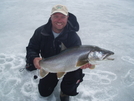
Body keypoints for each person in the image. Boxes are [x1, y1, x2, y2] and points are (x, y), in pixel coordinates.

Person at [25, 4, 92, 101]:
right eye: (56, 16)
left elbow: (79, 56)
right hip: (50, 64)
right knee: (44, 92)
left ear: (67, 18)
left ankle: (65, 92)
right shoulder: (40, 31)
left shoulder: (74, 37)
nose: (59, 20)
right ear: (50, 17)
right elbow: (32, 48)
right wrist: (34, 58)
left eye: (62, 17)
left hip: (70, 65)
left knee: (75, 75)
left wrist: (83, 64)